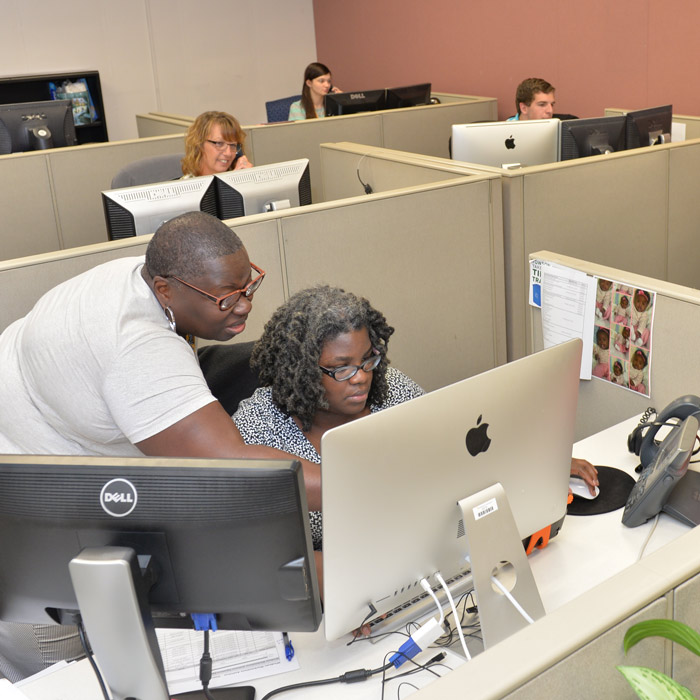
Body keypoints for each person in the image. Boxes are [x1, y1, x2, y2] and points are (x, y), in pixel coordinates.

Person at [0, 211, 320, 680]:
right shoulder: (137, 346)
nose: (245, 305)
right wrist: (363, 487)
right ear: (167, 289)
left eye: (248, 284)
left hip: (44, 476)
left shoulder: (147, 276)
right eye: (226, 297)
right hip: (34, 541)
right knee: (74, 681)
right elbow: (237, 467)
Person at [233, 285, 424, 553]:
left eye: (367, 359)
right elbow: (261, 551)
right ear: (301, 369)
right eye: (341, 368)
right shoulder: (259, 429)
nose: (361, 377)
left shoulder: (394, 389)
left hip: (413, 540)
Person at [181, 110, 253, 177]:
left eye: (233, 145)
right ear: (199, 144)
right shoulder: (185, 187)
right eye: (219, 143)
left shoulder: (236, 177)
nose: (228, 153)